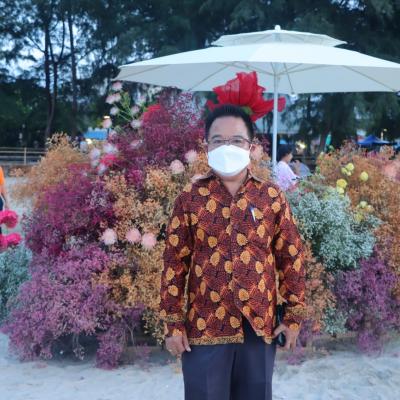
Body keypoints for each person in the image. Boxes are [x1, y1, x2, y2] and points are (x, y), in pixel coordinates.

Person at [159, 105, 305, 400]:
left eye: (236, 140)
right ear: (207, 147)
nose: (227, 147)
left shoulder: (271, 196)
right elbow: (174, 263)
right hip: (204, 327)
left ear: (251, 146)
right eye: (218, 140)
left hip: (258, 326)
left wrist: (293, 316)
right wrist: (173, 323)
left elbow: (290, 257)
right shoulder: (189, 199)